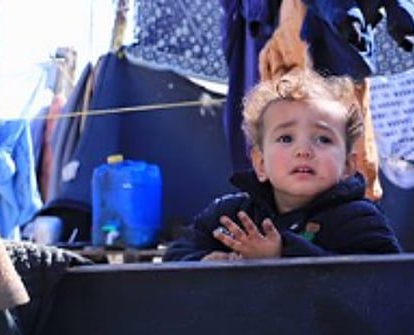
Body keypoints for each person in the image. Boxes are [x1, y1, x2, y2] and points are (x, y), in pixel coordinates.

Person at [164, 68, 401, 261]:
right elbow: (175, 256)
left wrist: (282, 257)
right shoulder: (232, 214)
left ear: (348, 167)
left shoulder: (360, 220)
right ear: (260, 164)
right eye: (286, 138)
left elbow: (385, 281)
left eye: (323, 139)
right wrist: (203, 262)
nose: (303, 151)